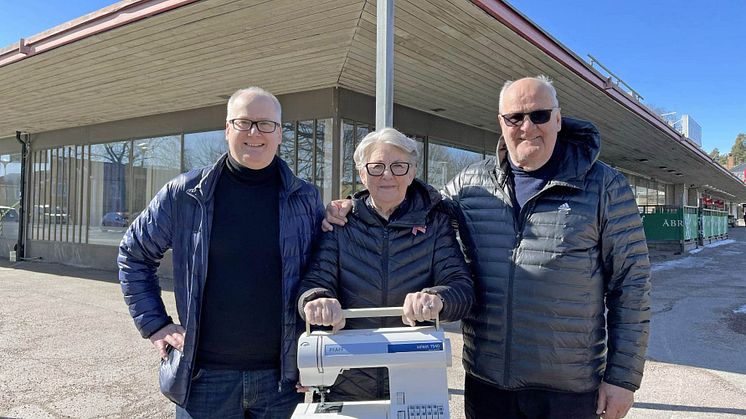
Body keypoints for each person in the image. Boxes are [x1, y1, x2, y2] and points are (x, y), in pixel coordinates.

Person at [324, 76, 651, 419]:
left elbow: (631, 284)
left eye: (539, 115)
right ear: (501, 123)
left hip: (567, 389)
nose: (527, 126)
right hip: (487, 383)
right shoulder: (471, 183)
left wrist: (622, 379)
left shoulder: (604, 186)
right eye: (515, 117)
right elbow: (416, 206)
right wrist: (354, 205)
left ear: (558, 118)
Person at [118, 87, 324, 418]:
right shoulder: (184, 194)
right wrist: (155, 323)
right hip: (204, 381)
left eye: (266, 124)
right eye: (244, 122)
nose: (255, 133)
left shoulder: (306, 199)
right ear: (227, 129)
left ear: (280, 133)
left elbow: (324, 270)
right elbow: (134, 254)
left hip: (283, 382)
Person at [298, 127, 474, 402]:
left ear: (412, 171)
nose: (388, 175)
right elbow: (314, 282)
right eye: (377, 166)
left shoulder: (435, 224)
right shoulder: (340, 224)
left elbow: (462, 289)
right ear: (361, 174)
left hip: (414, 378)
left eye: (398, 166)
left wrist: (436, 299)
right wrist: (318, 300)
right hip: (348, 382)